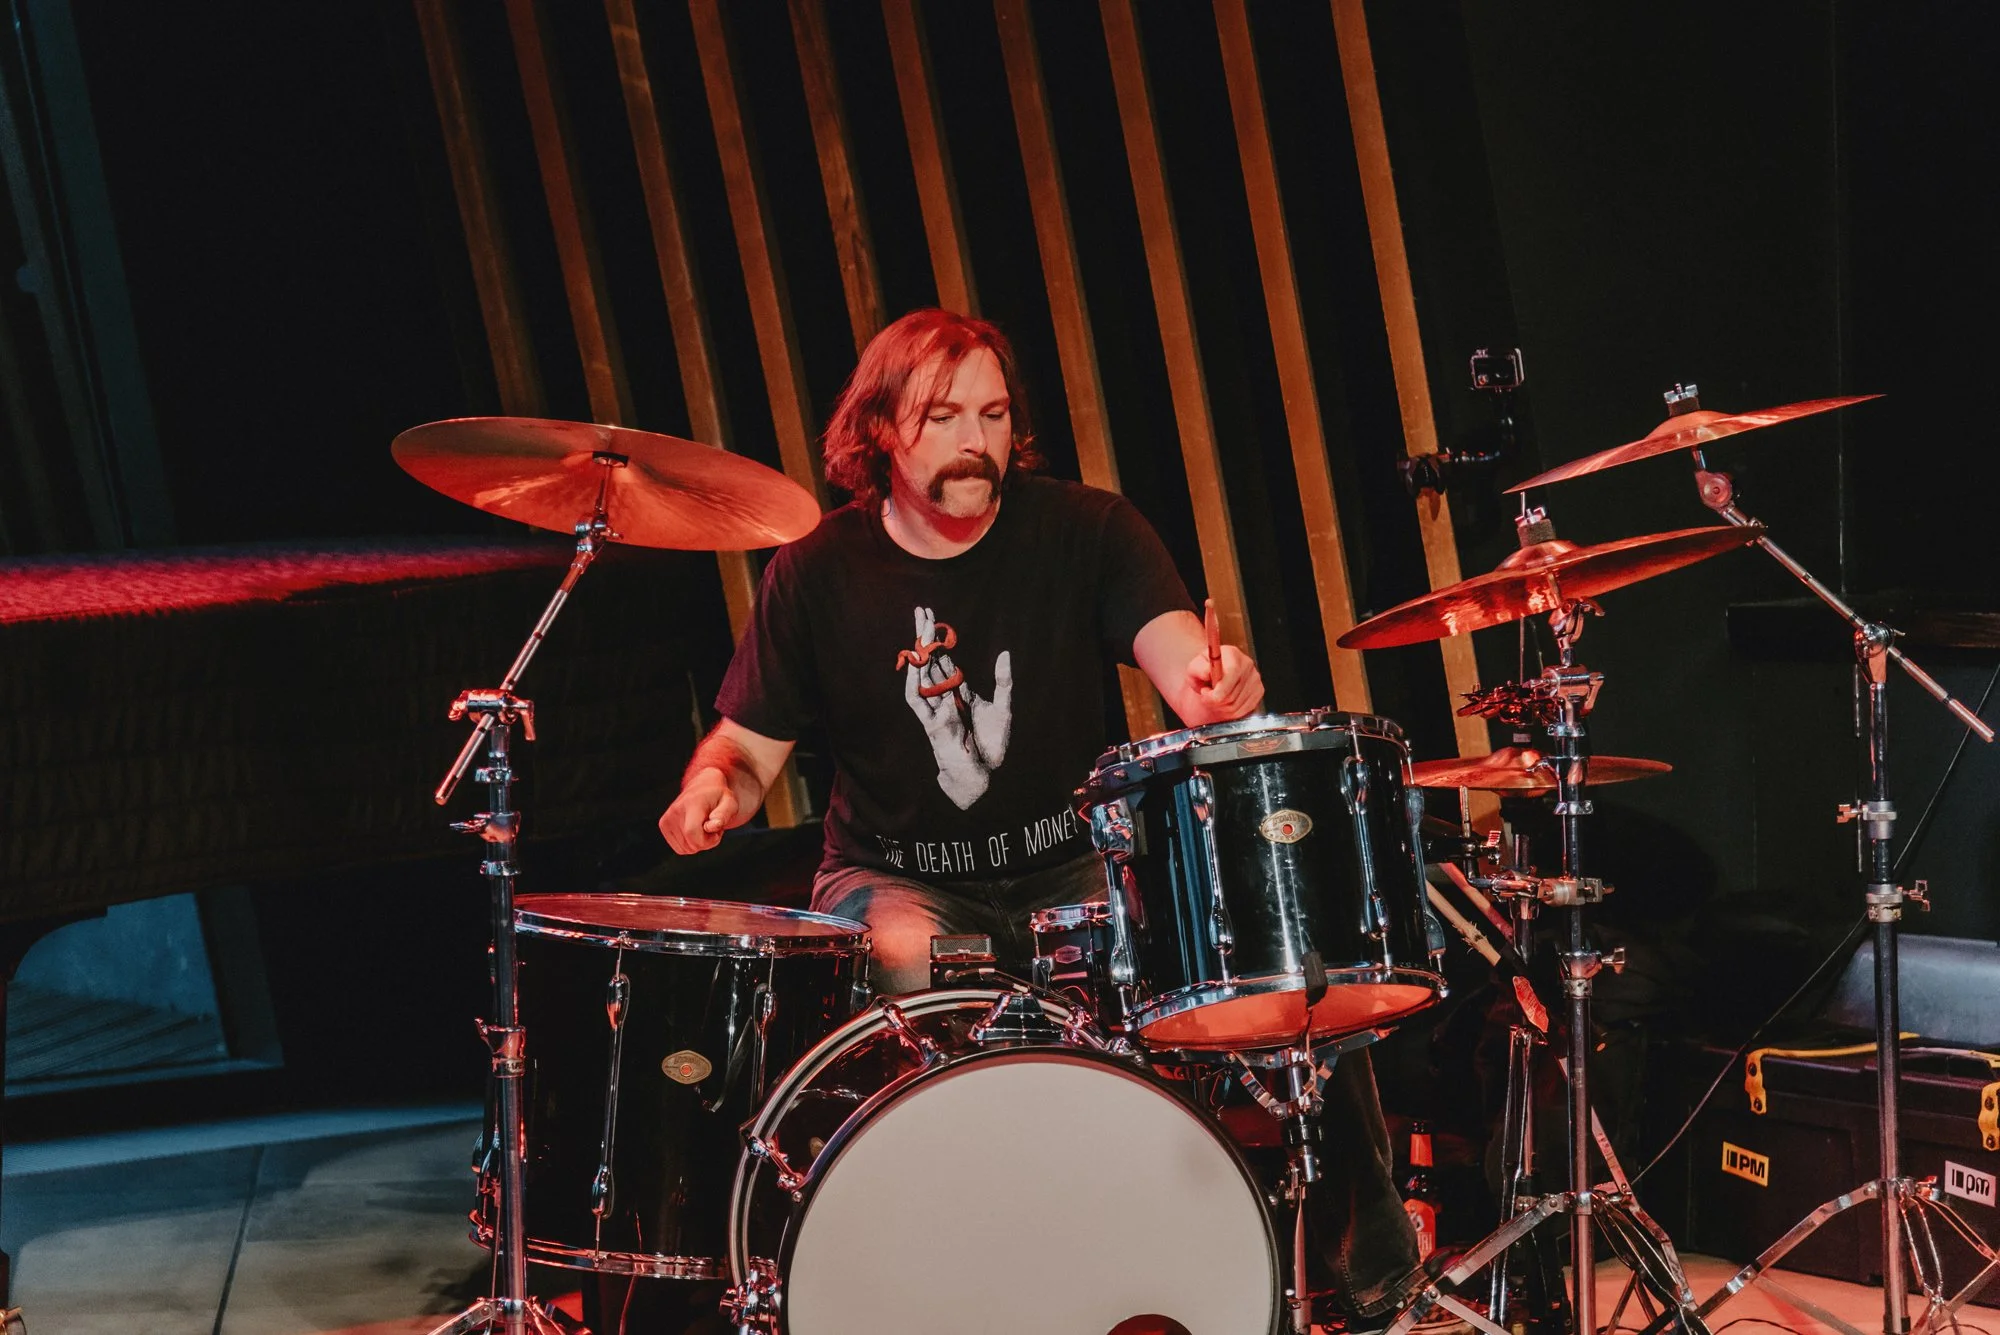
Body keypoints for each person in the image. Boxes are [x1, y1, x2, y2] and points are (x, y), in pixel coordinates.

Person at [659, 308, 1422, 1329]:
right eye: (941, 417)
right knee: (906, 958)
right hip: (896, 877)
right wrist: (714, 786)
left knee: (1291, 967)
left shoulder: (1087, 529)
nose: (973, 442)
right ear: (878, 430)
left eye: (992, 415)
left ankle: (1373, 1274)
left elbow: (1182, 666)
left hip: (1076, 866)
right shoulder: (814, 571)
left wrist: (1214, 686)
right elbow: (746, 750)